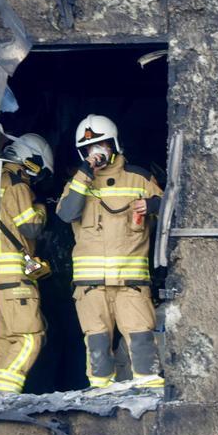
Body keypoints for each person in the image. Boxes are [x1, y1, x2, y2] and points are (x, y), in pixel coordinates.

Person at [56, 114, 165, 390]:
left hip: (131, 284)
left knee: (141, 339)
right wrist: (85, 171)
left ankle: (148, 393)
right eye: (90, 148)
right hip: (91, 287)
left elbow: (173, 207)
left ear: (114, 144)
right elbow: (67, 213)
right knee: (97, 343)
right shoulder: (78, 184)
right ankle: (100, 395)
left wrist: (152, 206)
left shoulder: (139, 178)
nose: (97, 152)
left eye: (102, 145)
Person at [0, 133, 53, 394]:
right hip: (14, 279)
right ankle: (5, 394)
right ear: (30, 160)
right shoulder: (17, 185)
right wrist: (42, 208)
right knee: (30, 336)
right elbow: (30, 227)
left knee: (2, 342)